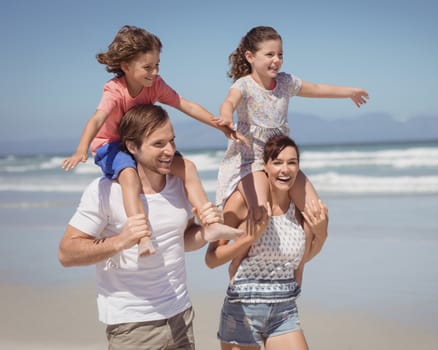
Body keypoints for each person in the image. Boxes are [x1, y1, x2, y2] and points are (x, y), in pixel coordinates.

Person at [59, 104, 230, 349]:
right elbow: (66, 252)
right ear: (132, 146)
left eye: (172, 141)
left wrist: (204, 233)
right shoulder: (105, 191)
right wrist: (121, 240)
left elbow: (180, 240)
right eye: (158, 144)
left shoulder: (178, 184)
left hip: (181, 316)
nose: (170, 151)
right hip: (133, 326)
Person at [62, 25, 242, 256]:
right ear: (126, 66)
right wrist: (81, 149)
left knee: (187, 166)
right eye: (148, 67)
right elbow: (97, 119)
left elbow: (185, 104)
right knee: (128, 175)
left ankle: (210, 222)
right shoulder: (114, 90)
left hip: (139, 141)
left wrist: (220, 125)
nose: (155, 72)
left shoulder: (155, 85)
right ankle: (142, 236)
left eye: (157, 65)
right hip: (111, 143)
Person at [215, 25, 368, 227]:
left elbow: (317, 88)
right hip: (251, 160)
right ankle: (243, 256)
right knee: (261, 213)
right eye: (269, 54)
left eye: (280, 54)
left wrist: (350, 92)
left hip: (281, 157)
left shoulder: (285, 82)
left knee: (318, 214)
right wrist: (226, 116)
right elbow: (229, 102)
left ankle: (300, 259)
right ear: (250, 57)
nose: (276, 60)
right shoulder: (244, 85)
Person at [206, 134, 329, 349]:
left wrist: (322, 233)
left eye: (292, 163)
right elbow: (212, 259)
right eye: (278, 162)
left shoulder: (298, 211)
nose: (285, 169)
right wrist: (249, 238)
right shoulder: (242, 203)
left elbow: (302, 258)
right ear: (265, 166)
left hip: (284, 311)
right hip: (243, 311)